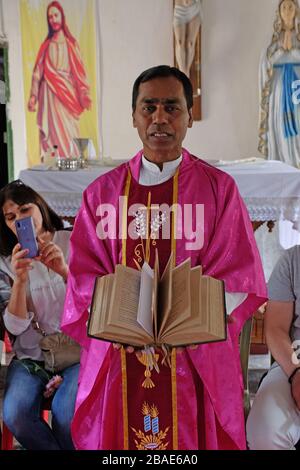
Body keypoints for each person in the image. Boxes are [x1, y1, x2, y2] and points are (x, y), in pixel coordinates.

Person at [61, 65, 267, 450]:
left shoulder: (218, 190)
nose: (159, 118)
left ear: (189, 115)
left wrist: (190, 326)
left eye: (171, 107)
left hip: (193, 355)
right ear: (134, 117)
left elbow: (239, 273)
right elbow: (83, 276)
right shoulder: (102, 195)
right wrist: (116, 326)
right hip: (121, 353)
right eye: (148, 107)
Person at [0, 180, 79, 450]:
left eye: (25, 210)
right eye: (11, 217)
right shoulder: (6, 262)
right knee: (15, 413)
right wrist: (20, 280)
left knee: (66, 415)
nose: (19, 220)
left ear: (40, 206)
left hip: (77, 353)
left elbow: (97, 304)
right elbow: (15, 328)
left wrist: (64, 272)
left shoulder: (73, 240)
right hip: (32, 357)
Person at [246, 246, 300, 449]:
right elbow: (276, 329)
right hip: (294, 359)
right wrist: (296, 374)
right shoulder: (292, 260)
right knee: (266, 430)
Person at [27, 1, 91, 159]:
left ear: (62, 17)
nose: (53, 19)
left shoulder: (71, 45)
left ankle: (71, 162)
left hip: (67, 98)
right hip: (48, 99)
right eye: (50, 17)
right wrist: (33, 96)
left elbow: (79, 73)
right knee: (52, 138)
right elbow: (37, 73)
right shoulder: (46, 46)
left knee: (69, 134)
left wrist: (84, 94)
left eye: (56, 15)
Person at [259, 0, 300, 167]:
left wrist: (293, 52)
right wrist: (281, 52)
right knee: (279, 124)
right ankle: (283, 160)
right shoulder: (274, 41)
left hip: (297, 87)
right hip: (279, 90)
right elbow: (265, 63)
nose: (288, 10)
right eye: (284, 7)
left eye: (291, 7)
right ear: (279, 13)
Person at [173, 0, 203, 78]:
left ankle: (186, 72)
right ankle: (183, 72)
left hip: (194, 8)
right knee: (179, 42)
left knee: (190, 43)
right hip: (179, 8)